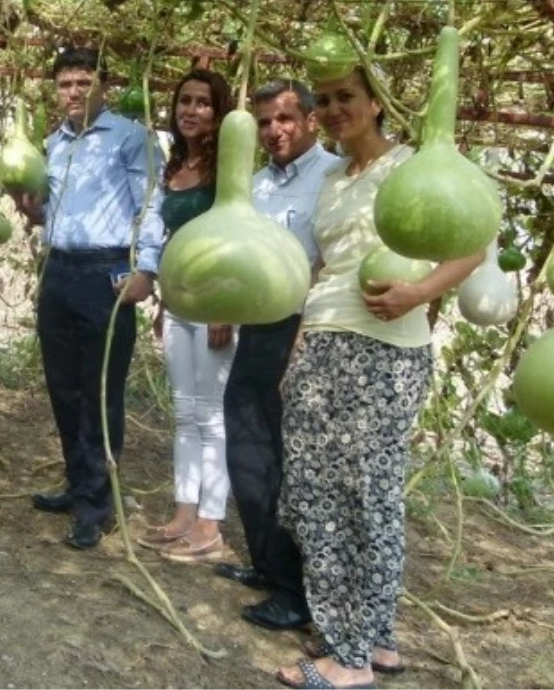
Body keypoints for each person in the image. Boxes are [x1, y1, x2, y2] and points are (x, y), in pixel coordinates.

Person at [275, 65, 483, 689]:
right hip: (325, 338)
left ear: (376, 101)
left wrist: (418, 291)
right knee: (319, 491)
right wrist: (297, 349)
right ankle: (373, 637)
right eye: (326, 100)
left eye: (348, 97)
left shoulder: (414, 167)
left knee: (363, 494)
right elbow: (324, 271)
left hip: (388, 348)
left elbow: (473, 244)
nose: (334, 109)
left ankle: (348, 658)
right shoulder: (334, 179)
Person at [18, 47, 165, 550]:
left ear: (106, 86)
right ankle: (77, 483)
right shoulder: (52, 144)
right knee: (63, 387)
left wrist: (147, 269)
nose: (75, 92)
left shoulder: (131, 137)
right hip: (59, 269)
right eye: (65, 84)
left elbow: (151, 205)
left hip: (108, 272)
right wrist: (32, 212)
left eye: (84, 82)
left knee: (99, 392)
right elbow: (52, 215)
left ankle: (96, 505)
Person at [215, 80, 339, 629]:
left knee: (291, 463)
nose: (273, 130)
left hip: (303, 328)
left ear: (312, 120)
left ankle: (296, 593)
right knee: (249, 451)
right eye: (264, 121)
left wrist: (303, 334)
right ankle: (267, 563)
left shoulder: (333, 177)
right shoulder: (256, 186)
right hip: (259, 328)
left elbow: (330, 262)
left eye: (285, 118)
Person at [139, 69, 235, 564]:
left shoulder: (230, 173)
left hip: (217, 307)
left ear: (220, 113)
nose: (191, 110)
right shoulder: (174, 167)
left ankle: (210, 524)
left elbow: (236, 240)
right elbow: (166, 239)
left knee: (212, 417)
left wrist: (226, 306)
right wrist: (161, 298)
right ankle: (182, 513)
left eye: (202, 103)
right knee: (183, 412)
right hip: (177, 306)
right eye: (184, 101)